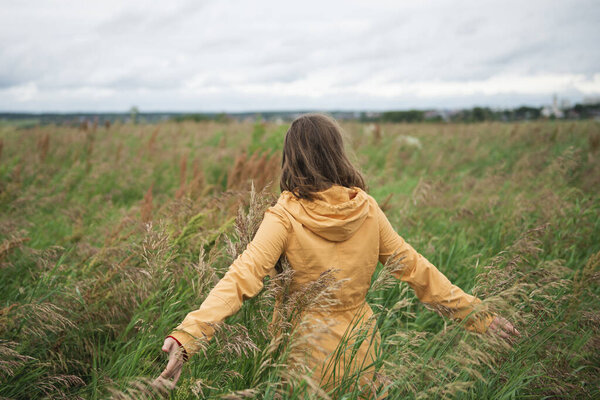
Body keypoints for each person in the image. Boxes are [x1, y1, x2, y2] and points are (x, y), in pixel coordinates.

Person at [154, 113, 519, 395]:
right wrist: (480, 316)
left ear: (291, 158)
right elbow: (417, 271)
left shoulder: (285, 215)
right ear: (336, 154)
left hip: (302, 357)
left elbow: (241, 276)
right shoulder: (367, 209)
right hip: (362, 353)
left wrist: (189, 336)